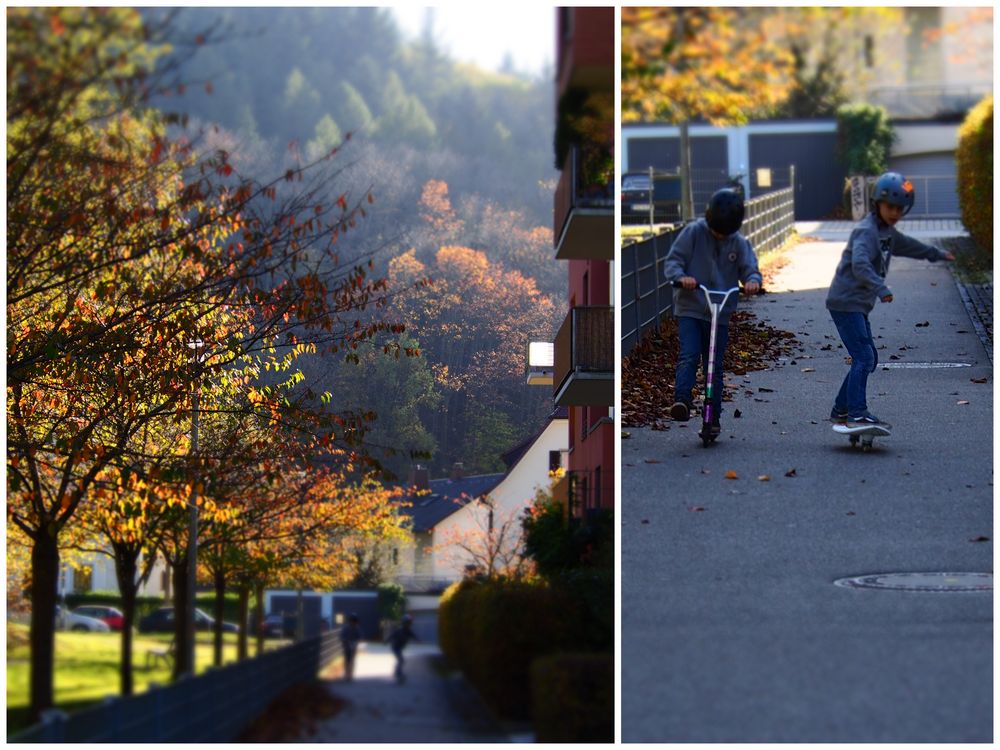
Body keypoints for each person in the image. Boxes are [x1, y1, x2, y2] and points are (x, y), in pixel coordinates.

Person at [826, 172, 954, 426]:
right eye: (890, 207)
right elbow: (860, 264)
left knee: (868, 358)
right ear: (878, 204)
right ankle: (857, 412)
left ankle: (841, 409)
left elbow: (909, 246)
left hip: (857, 304)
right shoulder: (866, 231)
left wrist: (936, 254)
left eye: (899, 208)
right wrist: (880, 288)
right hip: (846, 302)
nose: (895, 213)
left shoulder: (887, 232)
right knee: (863, 357)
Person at [663, 187, 762, 436]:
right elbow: (673, 261)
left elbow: (749, 267)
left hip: (720, 311)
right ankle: (682, 401)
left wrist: (752, 281)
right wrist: (681, 277)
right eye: (716, 232)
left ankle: (713, 416)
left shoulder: (738, 243)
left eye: (724, 234)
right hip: (691, 307)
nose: (719, 237)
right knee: (689, 354)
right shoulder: (694, 233)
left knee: (714, 366)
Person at [386, 614, 418, 684]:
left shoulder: (408, 631)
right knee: (401, 660)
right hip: (395, 647)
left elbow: (413, 636)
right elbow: (392, 635)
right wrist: (386, 641)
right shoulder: (399, 630)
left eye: (409, 623)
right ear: (404, 623)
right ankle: (398, 673)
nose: (408, 625)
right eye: (407, 623)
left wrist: (418, 640)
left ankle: (397, 672)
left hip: (400, 647)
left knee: (401, 660)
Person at [339, 613, 362, 681]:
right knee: (347, 660)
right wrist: (345, 641)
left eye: (355, 621)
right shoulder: (346, 628)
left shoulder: (357, 628)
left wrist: (356, 641)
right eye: (353, 621)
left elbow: (360, 636)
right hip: (347, 646)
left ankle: (350, 675)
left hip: (353, 646)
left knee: (352, 661)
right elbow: (342, 636)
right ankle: (347, 674)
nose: (354, 623)